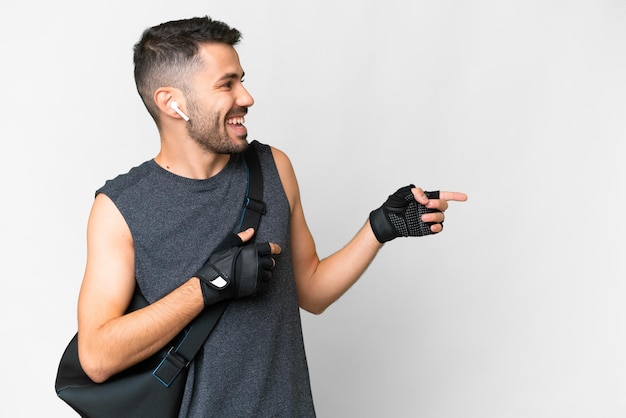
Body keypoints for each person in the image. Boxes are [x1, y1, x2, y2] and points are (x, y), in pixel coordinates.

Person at [75, 16, 468, 417]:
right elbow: (98, 357)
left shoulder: (271, 167)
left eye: (241, 80)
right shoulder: (120, 207)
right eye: (226, 84)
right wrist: (207, 287)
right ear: (171, 103)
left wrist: (378, 228)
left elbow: (312, 291)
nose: (246, 97)